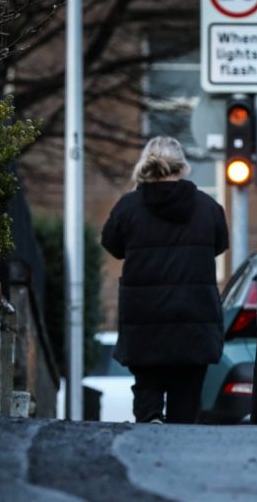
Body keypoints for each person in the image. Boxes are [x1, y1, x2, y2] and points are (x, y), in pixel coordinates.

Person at [101, 136, 229, 424]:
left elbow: (112, 245)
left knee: (147, 386)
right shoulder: (209, 208)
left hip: (145, 319)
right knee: (187, 397)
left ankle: (151, 424)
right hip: (194, 319)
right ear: (182, 167)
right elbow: (219, 245)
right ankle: (178, 450)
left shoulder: (129, 206)